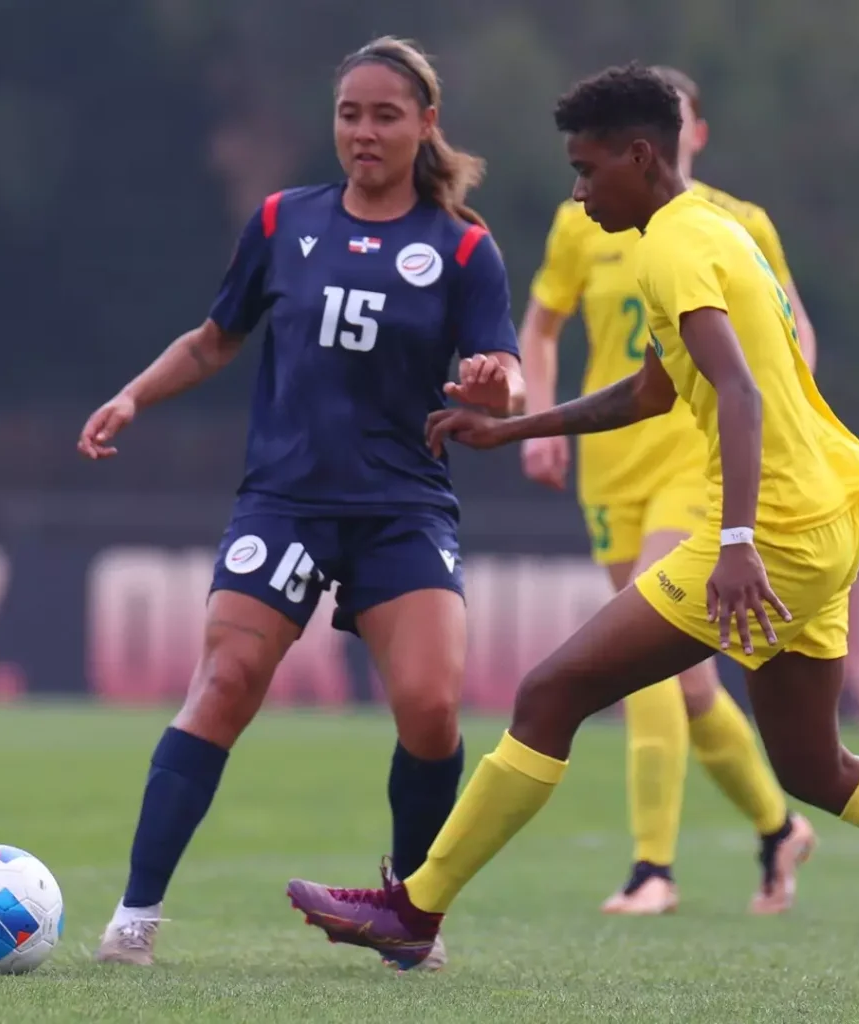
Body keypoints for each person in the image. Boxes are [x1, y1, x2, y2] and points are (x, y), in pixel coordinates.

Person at [287, 63, 859, 997]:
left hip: (775, 529)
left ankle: (412, 910)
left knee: (549, 695)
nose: (579, 194)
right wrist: (516, 426)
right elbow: (656, 388)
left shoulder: (669, 247)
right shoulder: (714, 230)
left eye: (588, 172)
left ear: (641, 156)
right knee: (813, 765)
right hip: (830, 517)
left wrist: (740, 544)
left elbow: (740, 394)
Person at [81, 36, 523, 972]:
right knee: (224, 687)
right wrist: (132, 395)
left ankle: (411, 915)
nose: (363, 132)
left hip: (403, 507)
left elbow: (509, 382)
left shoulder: (465, 247)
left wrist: (493, 385)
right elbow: (213, 340)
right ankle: (134, 919)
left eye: (385, 115)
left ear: (425, 125)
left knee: (432, 711)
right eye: (349, 114)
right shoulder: (284, 221)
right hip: (285, 503)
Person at [519, 65, 816, 916]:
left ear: (690, 136)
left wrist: (794, 439)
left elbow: (790, 335)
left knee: (641, 653)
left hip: (699, 458)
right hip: (614, 465)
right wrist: (536, 420)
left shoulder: (737, 223)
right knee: (685, 683)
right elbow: (542, 322)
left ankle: (653, 869)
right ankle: (776, 827)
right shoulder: (586, 219)